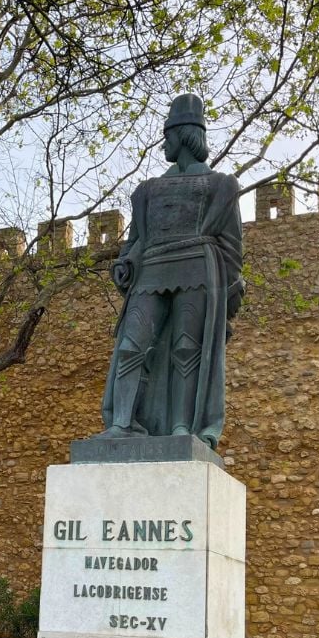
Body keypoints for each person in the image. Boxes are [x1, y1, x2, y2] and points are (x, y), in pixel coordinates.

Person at [99, 93, 244, 448]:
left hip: (197, 271)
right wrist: (125, 262)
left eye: (168, 135)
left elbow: (231, 246)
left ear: (184, 135)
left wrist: (229, 290)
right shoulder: (147, 191)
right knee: (131, 346)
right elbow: (135, 241)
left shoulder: (219, 186)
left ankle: (182, 426)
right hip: (151, 273)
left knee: (185, 350)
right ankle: (122, 423)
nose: (165, 143)